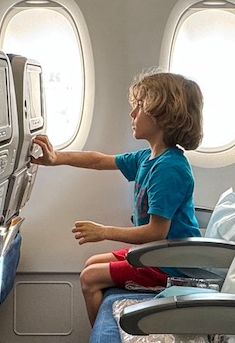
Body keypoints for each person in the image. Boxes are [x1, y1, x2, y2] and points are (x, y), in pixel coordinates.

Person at [31, 71, 203, 324]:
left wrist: (103, 231)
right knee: (91, 263)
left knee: (89, 279)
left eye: (140, 106)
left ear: (163, 115)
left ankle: (104, 340)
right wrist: (56, 158)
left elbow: (156, 232)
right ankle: (107, 333)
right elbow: (99, 160)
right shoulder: (148, 158)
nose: (132, 114)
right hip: (157, 253)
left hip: (173, 263)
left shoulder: (170, 168)